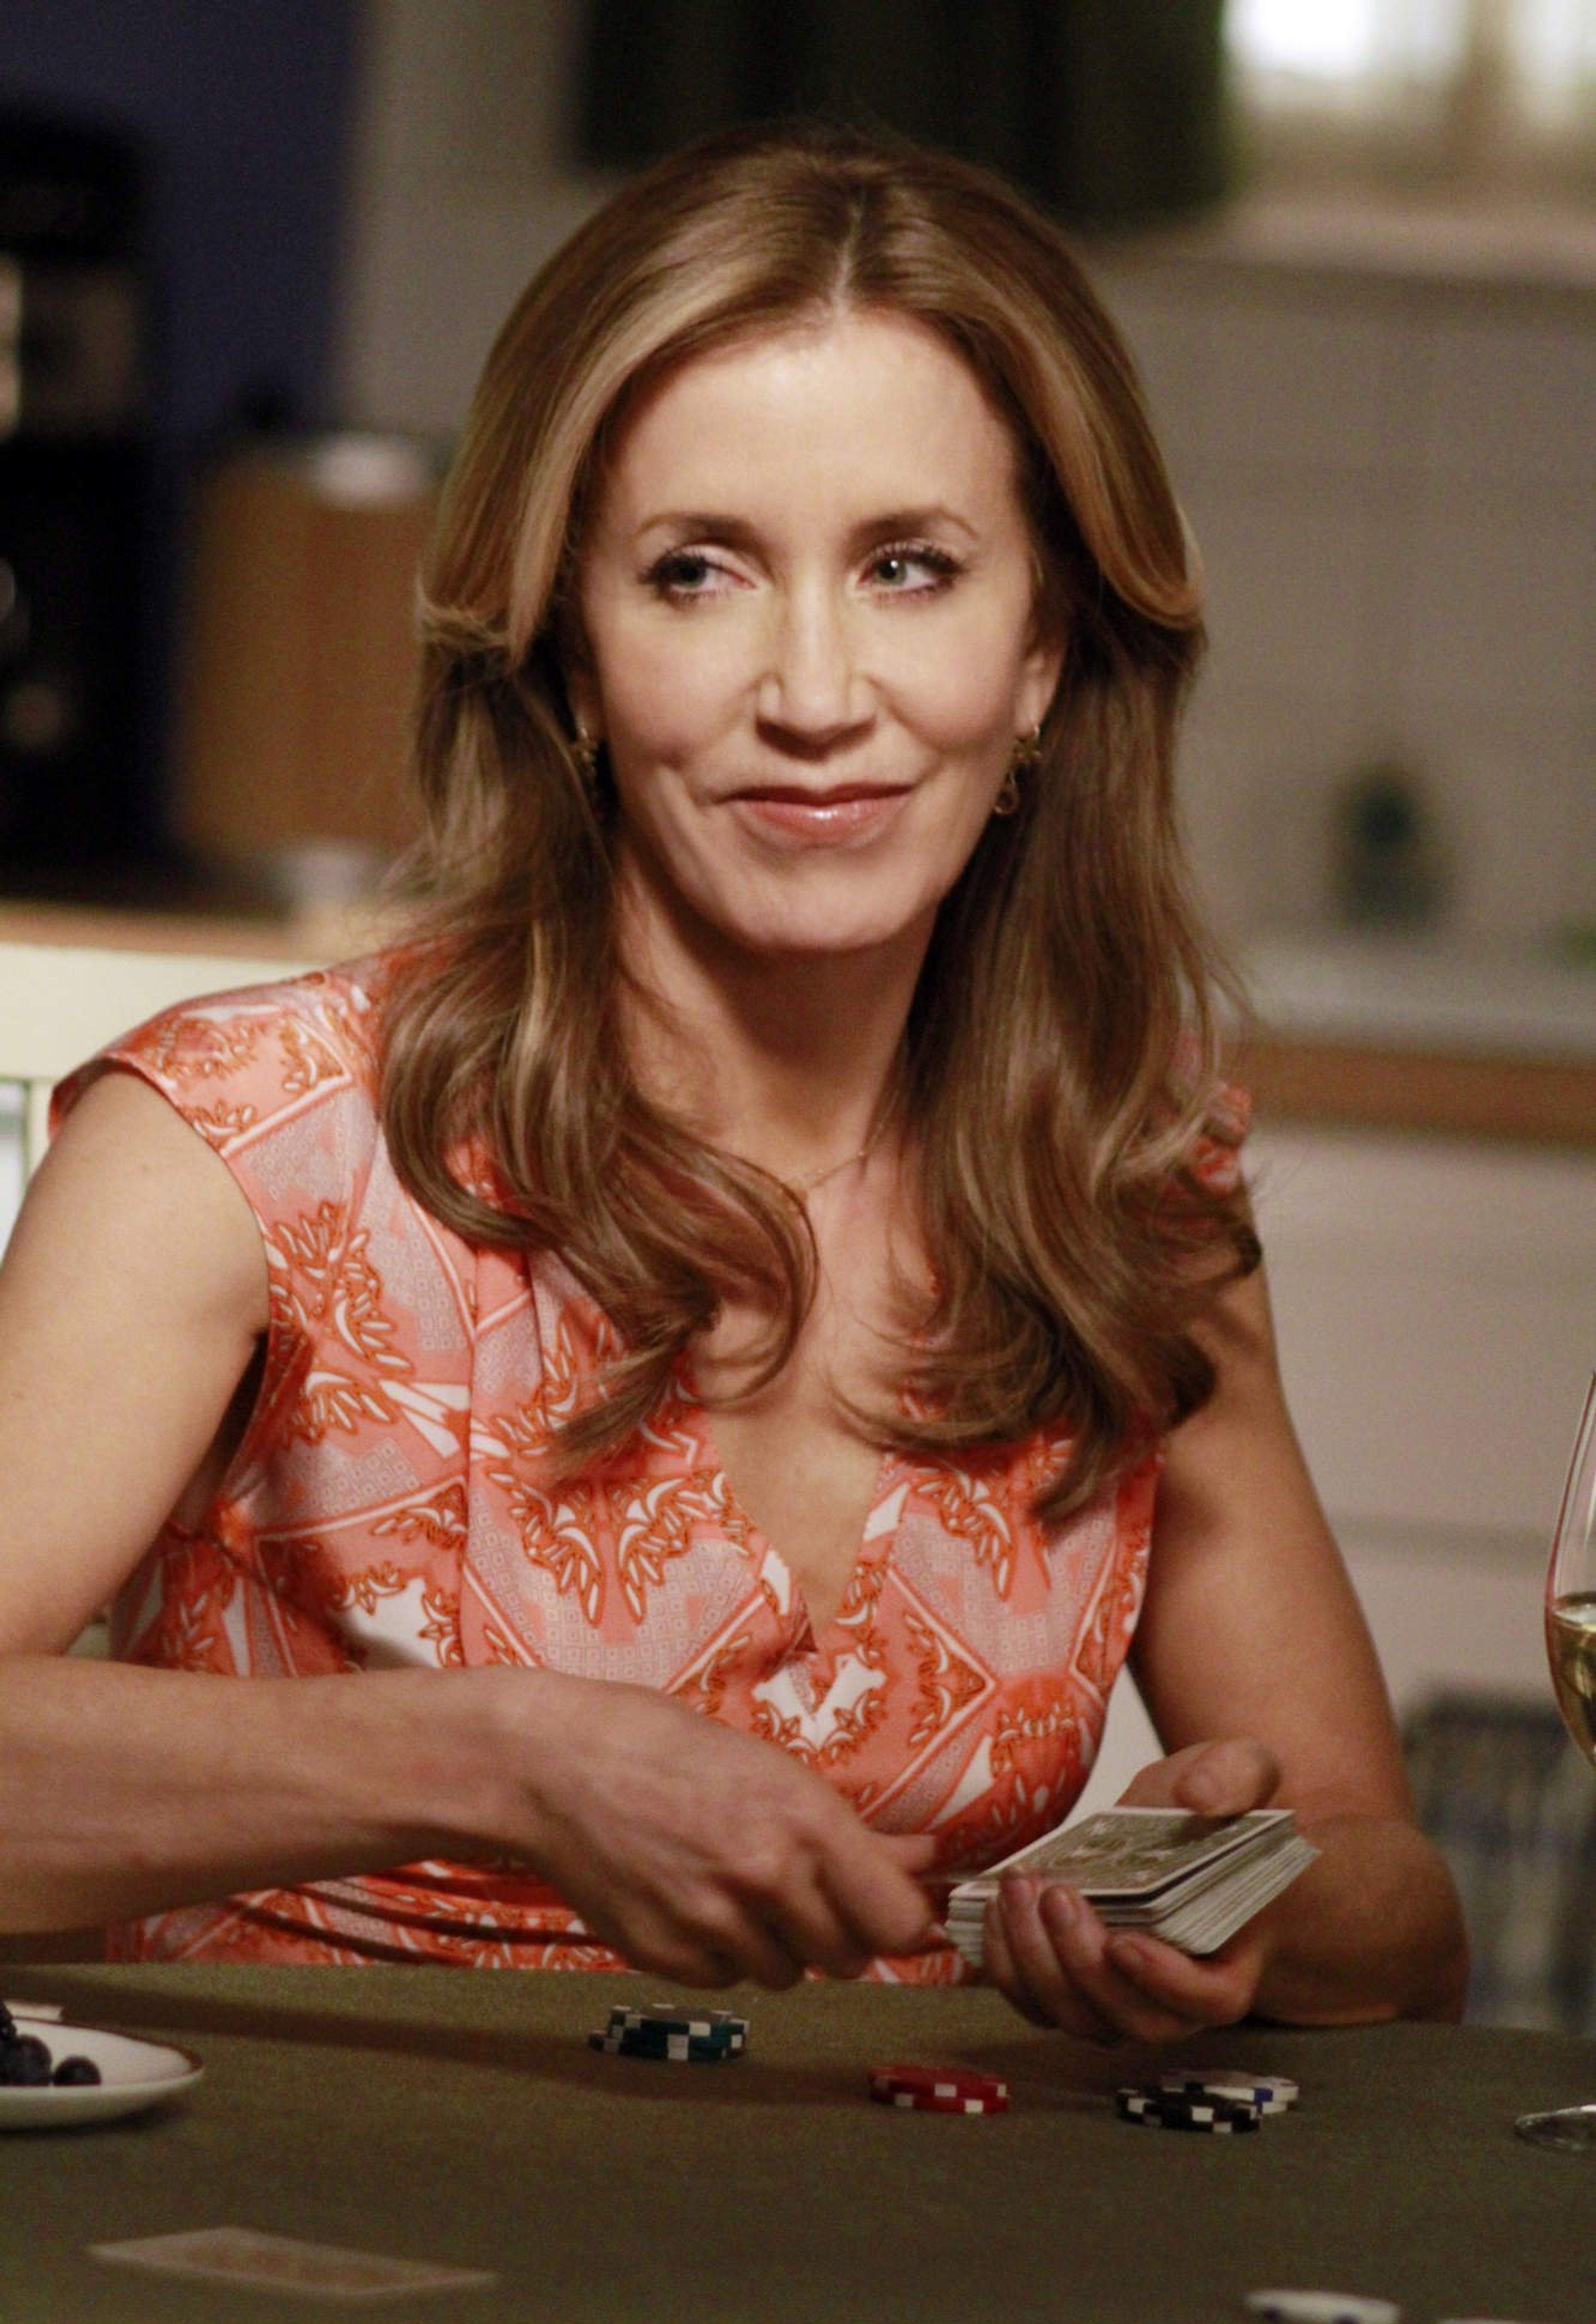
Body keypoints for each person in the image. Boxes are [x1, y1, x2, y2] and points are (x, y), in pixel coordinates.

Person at [0, 123, 1467, 2039]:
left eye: (912, 568)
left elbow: (1400, 1917)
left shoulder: (1127, 1194)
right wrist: (495, 1758)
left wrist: (1233, 1892)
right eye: (698, 572)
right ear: (573, 662)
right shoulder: (243, 1144)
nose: (816, 690)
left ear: (1041, 654)